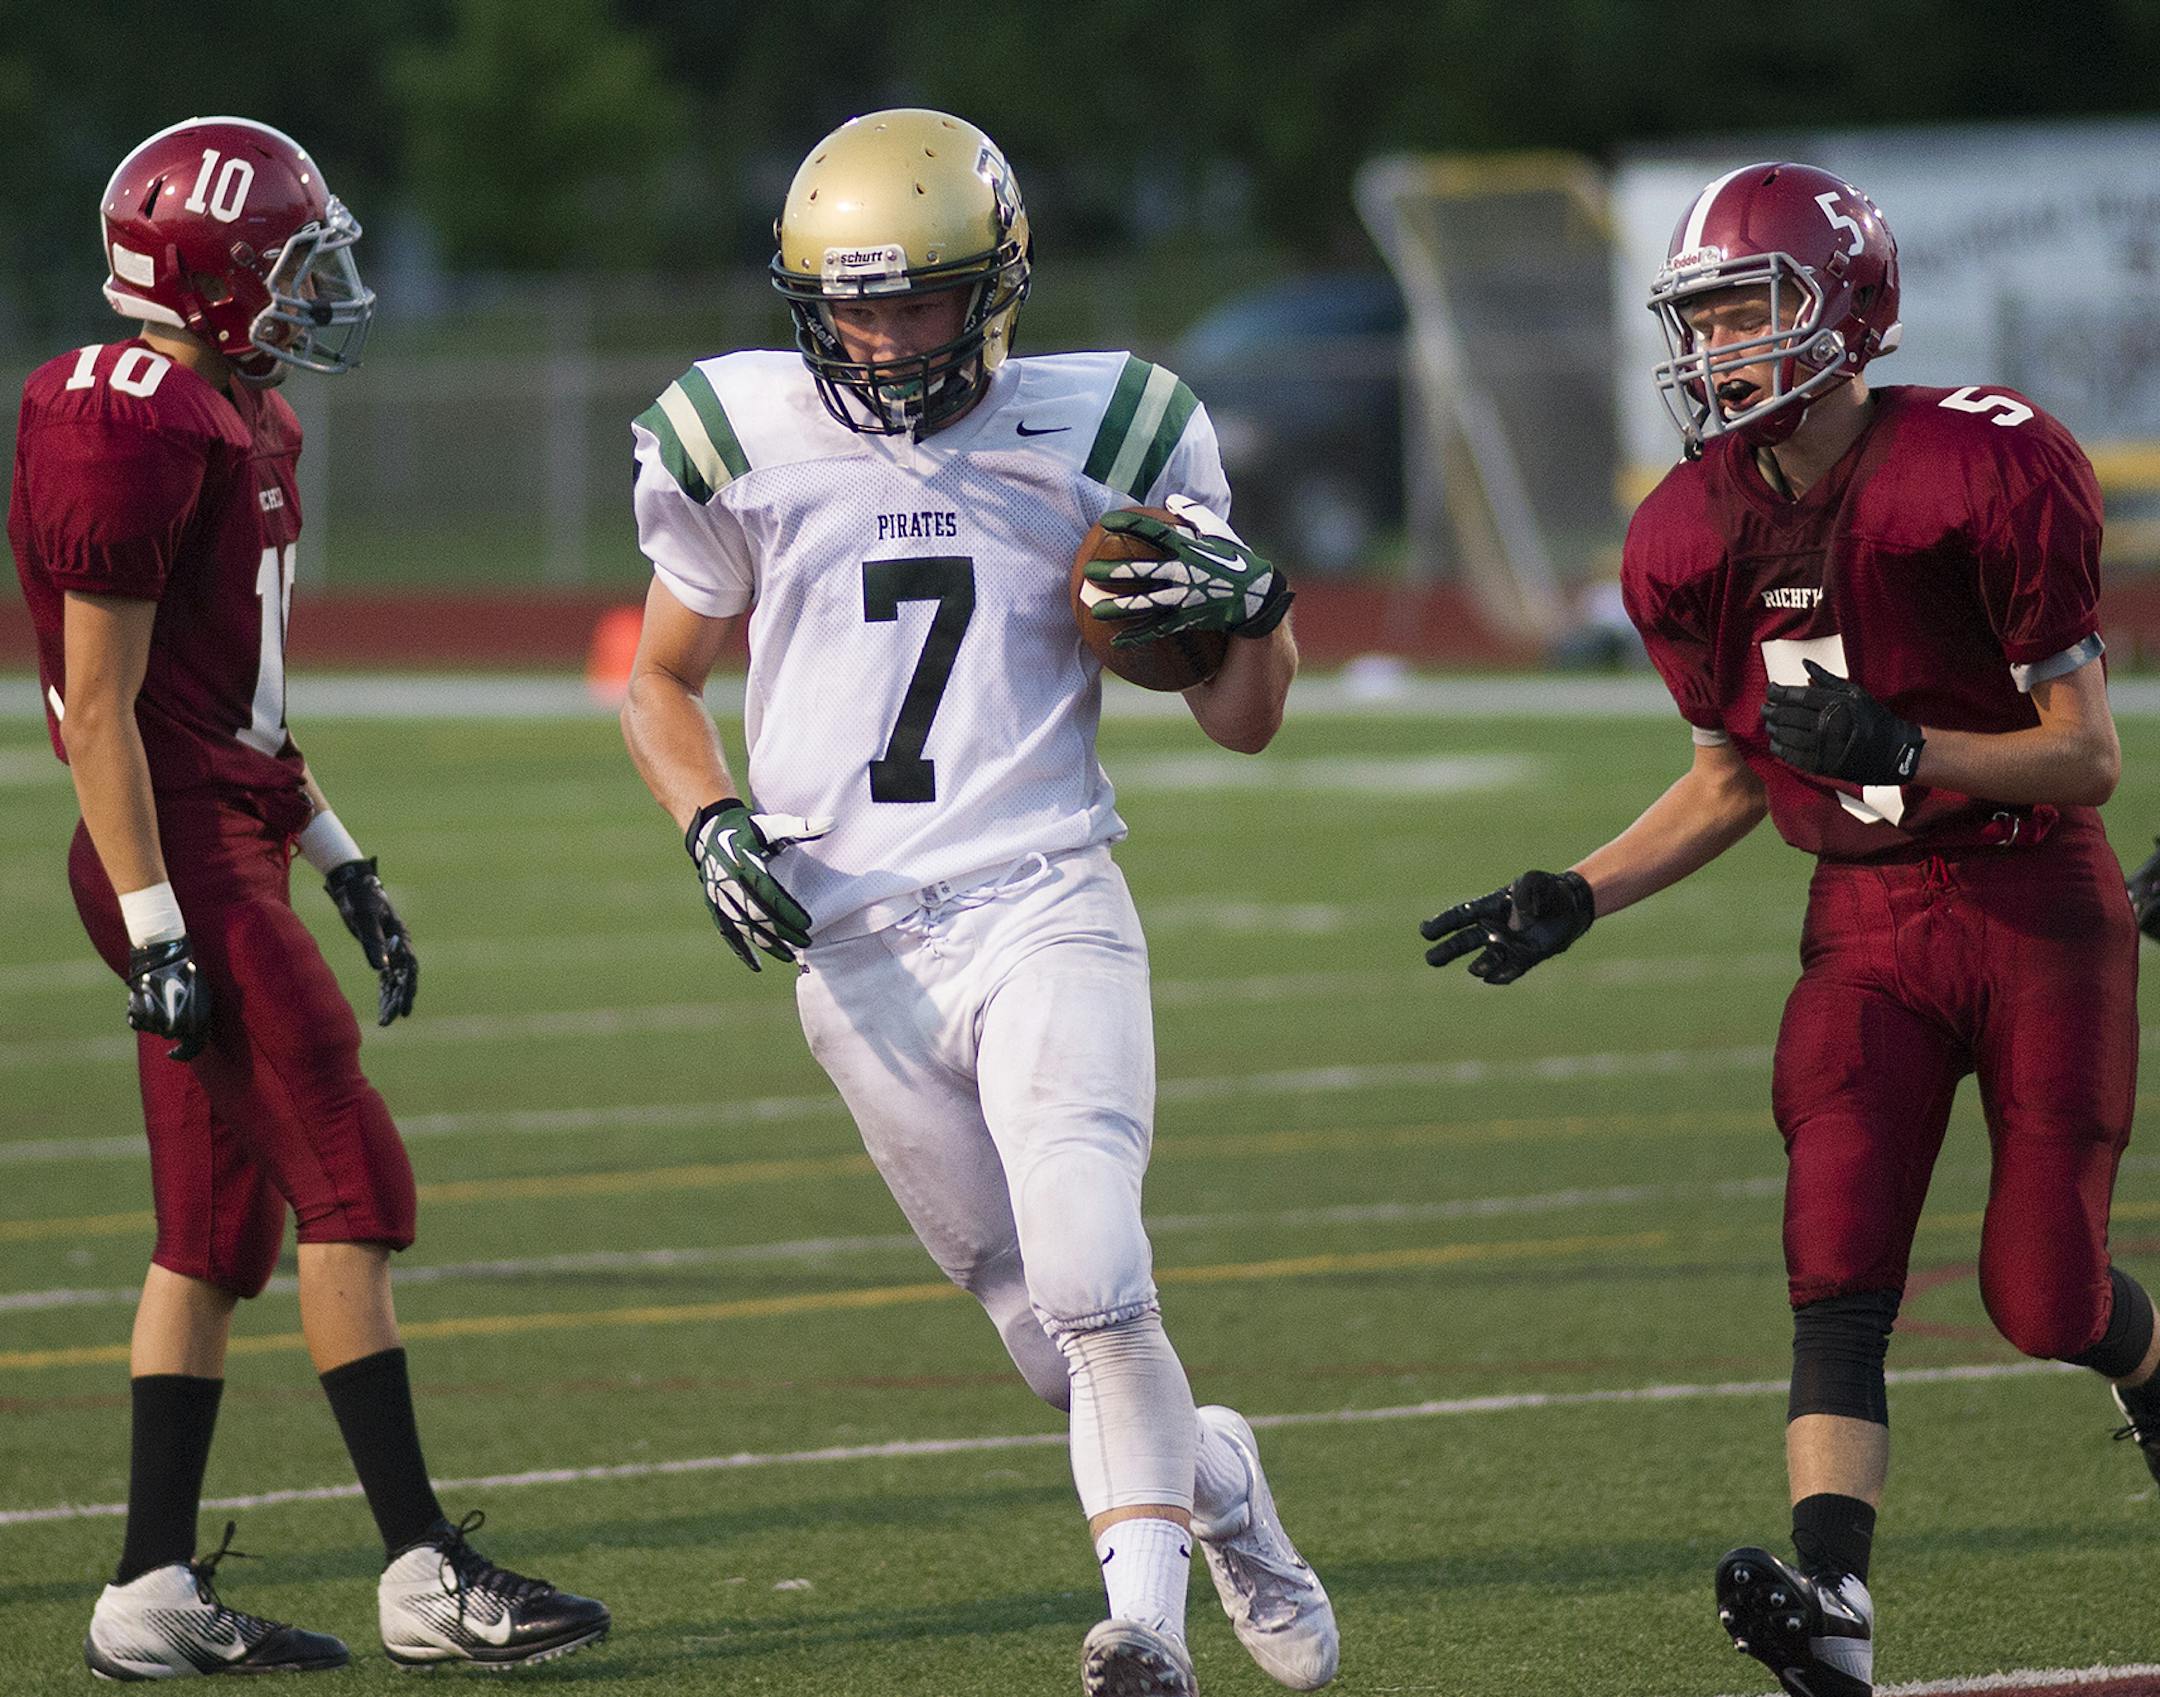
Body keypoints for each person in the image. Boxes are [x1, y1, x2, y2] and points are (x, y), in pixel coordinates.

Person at [621, 108, 1336, 1696]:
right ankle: (1221, 1491)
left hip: (1039, 891)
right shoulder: (739, 431)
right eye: (851, 304)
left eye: (917, 299)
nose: (879, 336)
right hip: (849, 943)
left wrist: (1259, 614)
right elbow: (657, 682)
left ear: (999, 283)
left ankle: (1142, 1632)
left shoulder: (1113, 425)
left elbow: (1244, 714)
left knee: (1093, 1271)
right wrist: (709, 817)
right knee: (1041, 1332)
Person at [1419, 162, 2150, 1697]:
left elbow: (2087, 758)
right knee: (1834, 1258)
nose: (1720, 351)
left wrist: (1910, 748)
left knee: (2044, 1296)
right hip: (1866, 922)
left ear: (1850, 311)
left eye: (1750, 312)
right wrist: (1580, 889)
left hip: (2034, 898)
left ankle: (2148, 1366)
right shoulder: (1682, 536)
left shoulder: (1981, 466)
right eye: (1700, 321)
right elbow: (1733, 776)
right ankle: (1833, 1600)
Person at [11, 116, 610, 1678]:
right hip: (174, 855)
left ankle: (146, 1595)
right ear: (208, 275)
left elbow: (239, 707)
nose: (312, 295)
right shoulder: (127, 410)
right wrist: (155, 926)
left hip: (230, 837)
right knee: (355, 1177)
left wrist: (345, 860)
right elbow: (97, 701)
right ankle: (423, 1567)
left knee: (214, 1232)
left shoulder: (241, 415)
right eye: (287, 268)